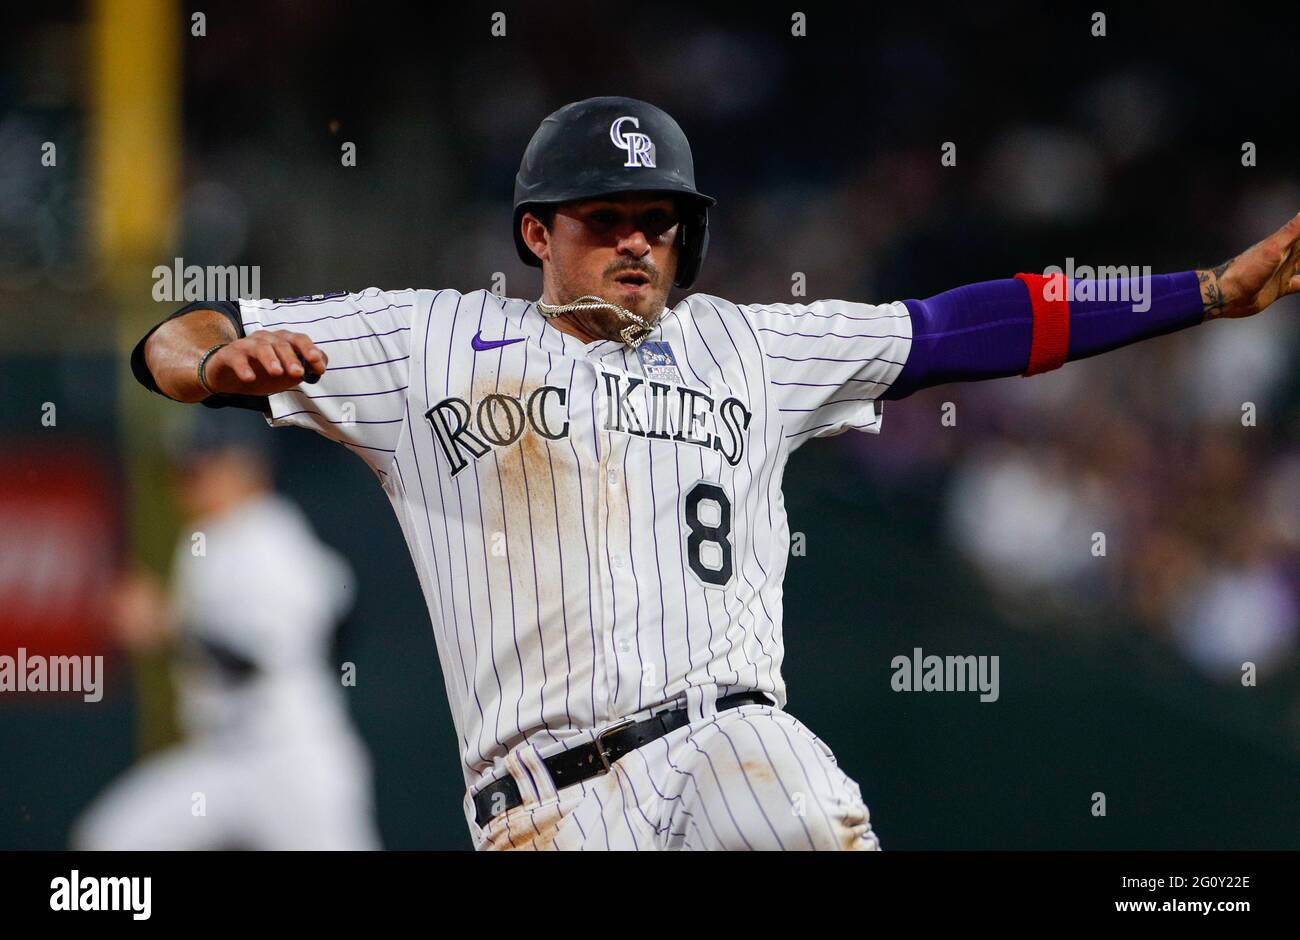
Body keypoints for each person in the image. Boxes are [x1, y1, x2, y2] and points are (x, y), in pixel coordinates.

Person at [128, 96, 1300, 850]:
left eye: (662, 218)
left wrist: (1199, 293)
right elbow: (171, 336)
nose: (641, 239)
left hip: (724, 742)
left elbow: (971, 325)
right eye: (608, 216)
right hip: (541, 803)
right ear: (538, 231)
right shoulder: (424, 337)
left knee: (790, 792)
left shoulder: (749, 344)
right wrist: (212, 359)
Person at [74, 412, 381, 850]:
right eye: (184, 470)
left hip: (289, 762)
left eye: (201, 467)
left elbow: (261, 656)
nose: (188, 481)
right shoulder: (207, 542)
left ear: (245, 467)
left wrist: (168, 625)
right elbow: (339, 611)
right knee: (114, 840)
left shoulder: (269, 537)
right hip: (221, 758)